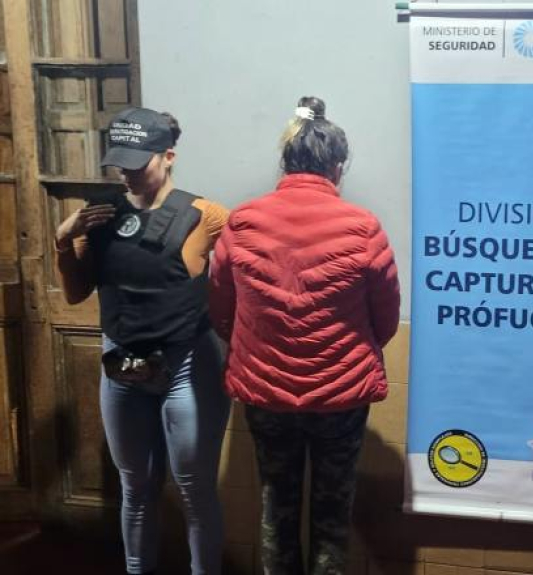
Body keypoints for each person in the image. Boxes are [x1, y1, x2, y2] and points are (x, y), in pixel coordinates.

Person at [209, 96, 400, 575]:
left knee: (276, 505)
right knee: (333, 512)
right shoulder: (363, 227)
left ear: (286, 161)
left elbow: (221, 311)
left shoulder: (242, 222)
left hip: (266, 392)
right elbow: (386, 319)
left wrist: (256, 350)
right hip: (341, 393)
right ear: (337, 167)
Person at [55, 107, 231, 575]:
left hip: (186, 365)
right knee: (135, 488)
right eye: (120, 163)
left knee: (195, 490)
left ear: (168, 156)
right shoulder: (100, 215)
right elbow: (75, 294)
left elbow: (246, 268)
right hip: (122, 367)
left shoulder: (205, 215)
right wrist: (63, 240)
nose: (127, 173)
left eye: (139, 163)